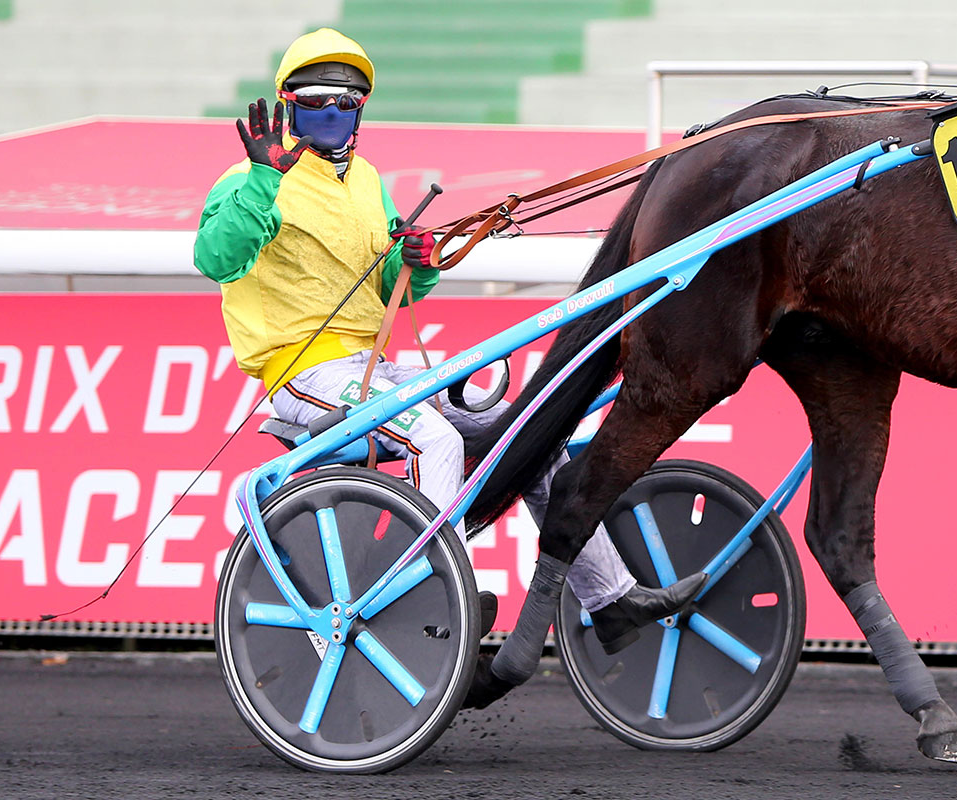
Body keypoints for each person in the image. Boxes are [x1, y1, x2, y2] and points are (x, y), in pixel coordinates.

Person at [193, 28, 699, 656]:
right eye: (316, 101)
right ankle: (433, 588)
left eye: (345, 102)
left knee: (527, 432)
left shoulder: (366, 179)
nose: (330, 113)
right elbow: (216, 259)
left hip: (371, 364)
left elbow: (390, 292)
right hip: (306, 373)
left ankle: (612, 600)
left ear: (360, 112)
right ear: (287, 105)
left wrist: (416, 260)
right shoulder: (247, 180)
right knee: (437, 436)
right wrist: (263, 181)